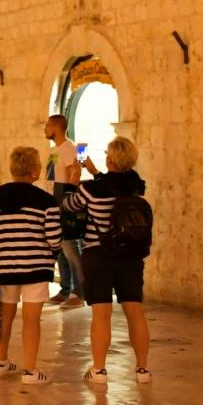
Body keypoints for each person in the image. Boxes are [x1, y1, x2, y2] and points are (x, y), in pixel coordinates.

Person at [65, 136, 152, 385]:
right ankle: (143, 370)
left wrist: (74, 181)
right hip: (130, 255)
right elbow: (116, 184)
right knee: (135, 311)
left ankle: (100, 370)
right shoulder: (137, 186)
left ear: (110, 159)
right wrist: (94, 171)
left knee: (101, 314)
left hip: (98, 255)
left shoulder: (92, 189)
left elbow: (70, 206)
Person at [0, 146, 63, 382]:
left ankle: (1, 362)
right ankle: (30, 371)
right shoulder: (46, 200)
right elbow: (54, 239)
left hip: (4, 266)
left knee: (4, 316)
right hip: (36, 268)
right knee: (32, 320)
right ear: (35, 171)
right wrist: (51, 256)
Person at [45, 115, 93, 307]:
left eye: (48, 125)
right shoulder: (53, 150)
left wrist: (67, 201)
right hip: (53, 200)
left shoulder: (69, 148)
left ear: (56, 127)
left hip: (65, 202)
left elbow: (75, 173)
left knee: (70, 249)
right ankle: (65, 289)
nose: (45, 129)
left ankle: (79, 293)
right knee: (60, 248)